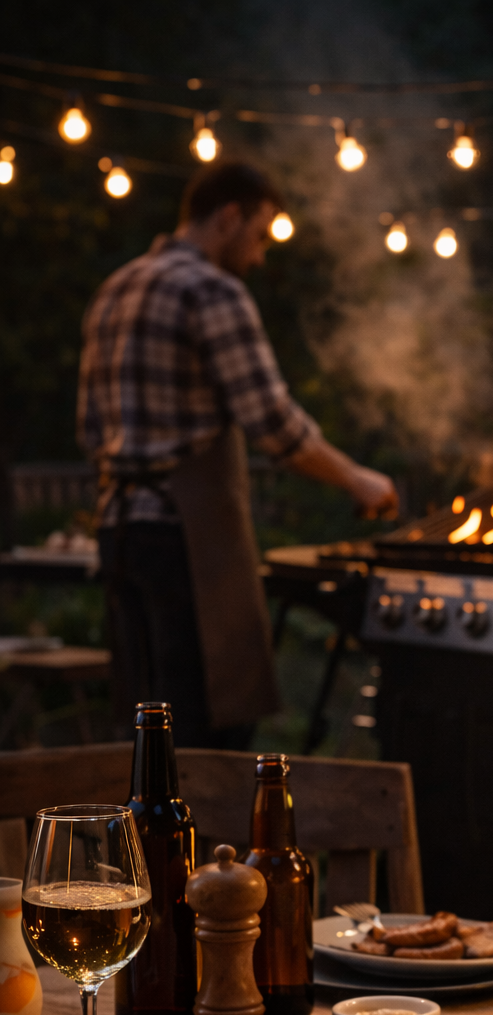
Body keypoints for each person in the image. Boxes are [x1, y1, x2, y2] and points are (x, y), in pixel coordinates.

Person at [78, 160, 397, 747]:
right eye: (259, 235)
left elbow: (90, 429)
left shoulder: (114, 289)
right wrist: (358, 480)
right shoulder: (211, 289)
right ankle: (206, 841)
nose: (259, 255)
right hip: (184, 541)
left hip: (119, 536)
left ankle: (146, 842)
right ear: (230, 216)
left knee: (145, 734)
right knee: (203, 733)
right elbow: (273, 424)